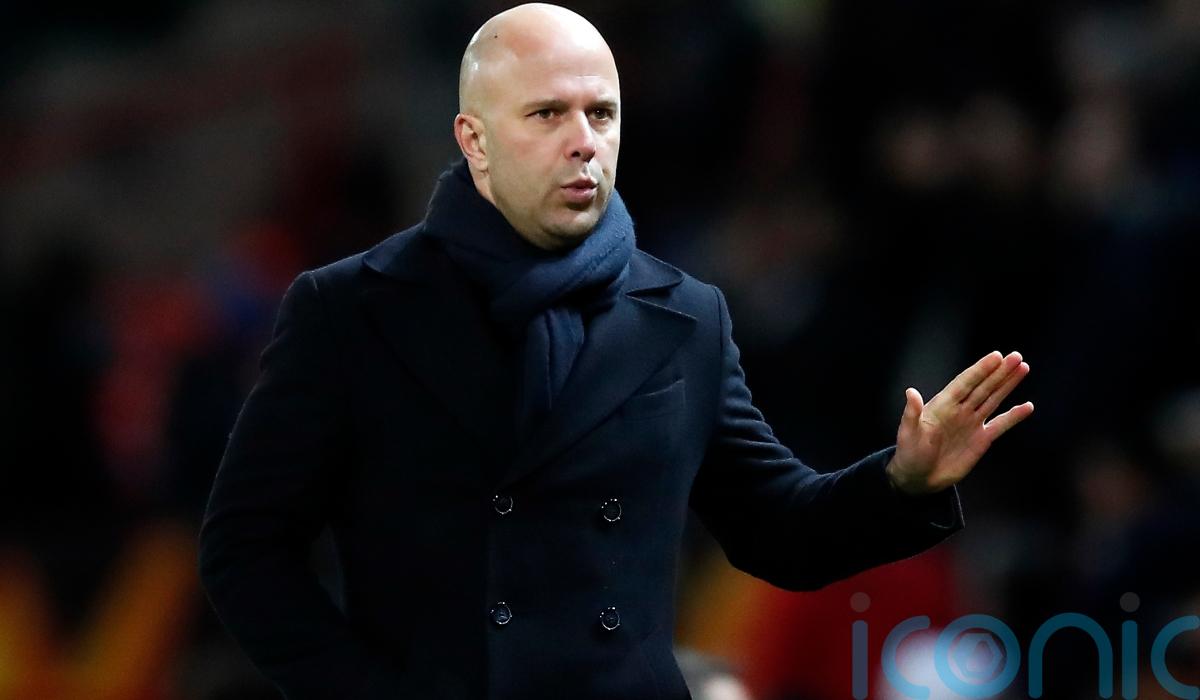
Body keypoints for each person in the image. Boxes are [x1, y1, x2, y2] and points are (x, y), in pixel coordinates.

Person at [197, 4, 1034, 699]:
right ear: (474, 140)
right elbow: (245, 550)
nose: (583, 141)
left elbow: (778, 530)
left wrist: (902, 482)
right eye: (547, 114)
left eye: (601, 114)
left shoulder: (686, 316)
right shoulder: (349, 310)